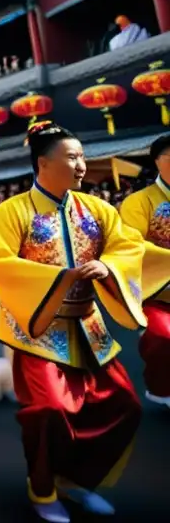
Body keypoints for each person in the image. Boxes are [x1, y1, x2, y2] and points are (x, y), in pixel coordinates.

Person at [0, 121, 145, 523]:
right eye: (72, 157)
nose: (81, 165)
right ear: (43, 162)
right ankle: (42, 488)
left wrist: (108, 266)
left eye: (83, 156)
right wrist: (59, 279)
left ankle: (75, 479)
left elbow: (129, 246)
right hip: (39, 331)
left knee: (125, 404)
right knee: (49, 411)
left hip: (89, 327)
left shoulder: (98, 210)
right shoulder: (12, 212)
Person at [118, 133, 170, 408]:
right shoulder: (138, 202)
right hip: (158, 293)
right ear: (158, 162)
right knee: (163, 337)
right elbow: (133, 245)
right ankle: (161, 388)